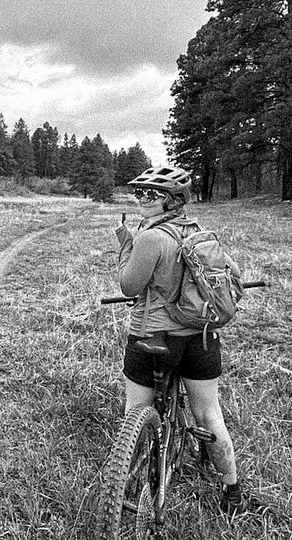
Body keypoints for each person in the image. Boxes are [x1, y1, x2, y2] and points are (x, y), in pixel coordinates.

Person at [114, 166, 249, 515]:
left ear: (172, 200)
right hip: (201, 337)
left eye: (152, 194)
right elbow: (233, 275)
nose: (142, 198)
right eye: (139, 192)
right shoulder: (201, 234)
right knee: (209, 414)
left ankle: (124, 478)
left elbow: (129, 286)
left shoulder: (150, 238)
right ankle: (232, 491)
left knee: (135, 411)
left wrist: (126, 246)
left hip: (152, 336)